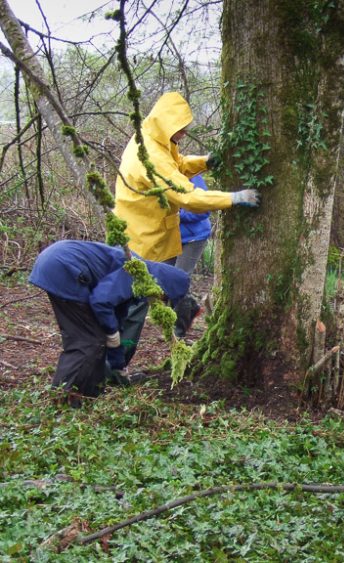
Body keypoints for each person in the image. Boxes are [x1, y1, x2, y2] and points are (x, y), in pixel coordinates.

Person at [29, 240, 190, 406]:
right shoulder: (134, 271)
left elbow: (117, 316)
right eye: (163, 297)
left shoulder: (139, 275)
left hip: (59, 265)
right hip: (64, 268)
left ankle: (90, 393)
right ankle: (63, 399)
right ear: (163, 285)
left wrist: (118, 363)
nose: (159, 301)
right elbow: (101, 301)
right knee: (88, 341)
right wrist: (111, 333)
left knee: (96, 339)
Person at [114, 91, 261, 263]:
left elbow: (175, 165)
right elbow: (189, 197)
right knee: (151, 288)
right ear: (166, 124)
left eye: (185, 128)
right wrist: (235, 197)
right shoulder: (150, 158)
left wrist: (205, 162)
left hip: (141, 235)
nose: (184, 133)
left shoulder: (152, 136)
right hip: (144, 245)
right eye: (180, 128)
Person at [173, 173, 213, 337]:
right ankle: (192, 307)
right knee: (165, 278)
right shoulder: (155, 171)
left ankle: (179, 330)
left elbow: (203, 209)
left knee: (178, 279)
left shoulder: (189, 173)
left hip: (194, 236)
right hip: (172, 237)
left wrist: (176, 216)